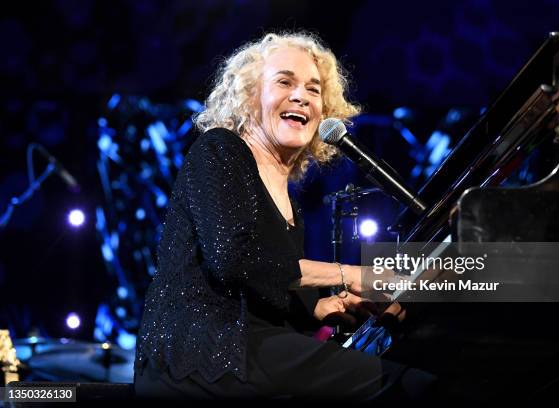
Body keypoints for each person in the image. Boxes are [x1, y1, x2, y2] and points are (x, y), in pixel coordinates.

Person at [134, 31, 435, 401]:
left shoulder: (288, 198)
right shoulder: (220, 150)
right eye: (284, 82)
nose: (301, 97)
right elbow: (235, 259)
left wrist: (320, 307)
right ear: (249, 97)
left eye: (313, 89)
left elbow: (264, 284)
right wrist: (352, 274)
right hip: (203, 354)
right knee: (407, 387)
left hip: (249, 350)